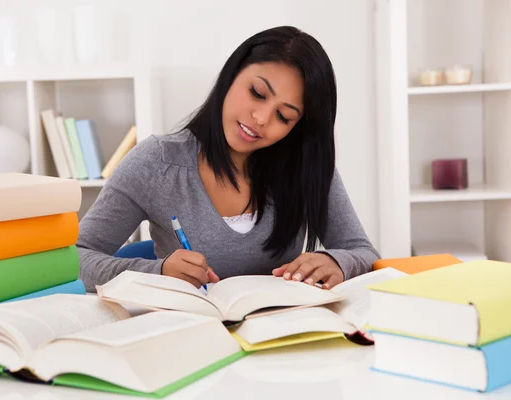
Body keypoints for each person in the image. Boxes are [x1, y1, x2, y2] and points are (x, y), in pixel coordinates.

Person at [76, 25, 380, 293]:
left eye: (283, 116)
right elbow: (76, 258)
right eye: (257, 93)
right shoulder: (157, 163)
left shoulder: (305, 167)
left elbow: (364, 253)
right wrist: (157, 273)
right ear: (232, 75)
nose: (261, 119)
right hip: (186, 337)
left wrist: (336, 262)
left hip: (279, 339)